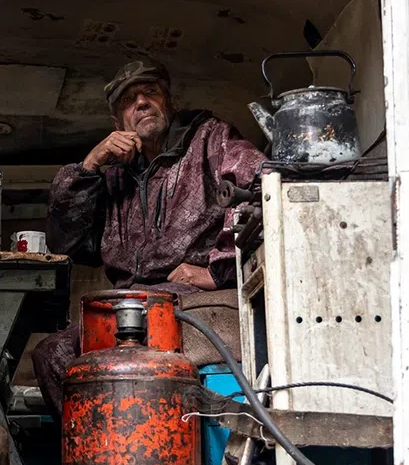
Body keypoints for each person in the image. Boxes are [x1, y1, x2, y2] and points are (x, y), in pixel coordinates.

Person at [33, 60, 266, 415]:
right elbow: (66, 242)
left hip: (186, 296)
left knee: (137, 348)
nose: (141, 102)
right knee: (52, 355)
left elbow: (262, 184)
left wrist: (219, 271)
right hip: (127, 301)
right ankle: (99, 448)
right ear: (118, 123)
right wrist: (89, 165)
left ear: (168, 102)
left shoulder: (209, 138)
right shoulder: (113, 175)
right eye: (129, 100)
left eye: (150, 92)